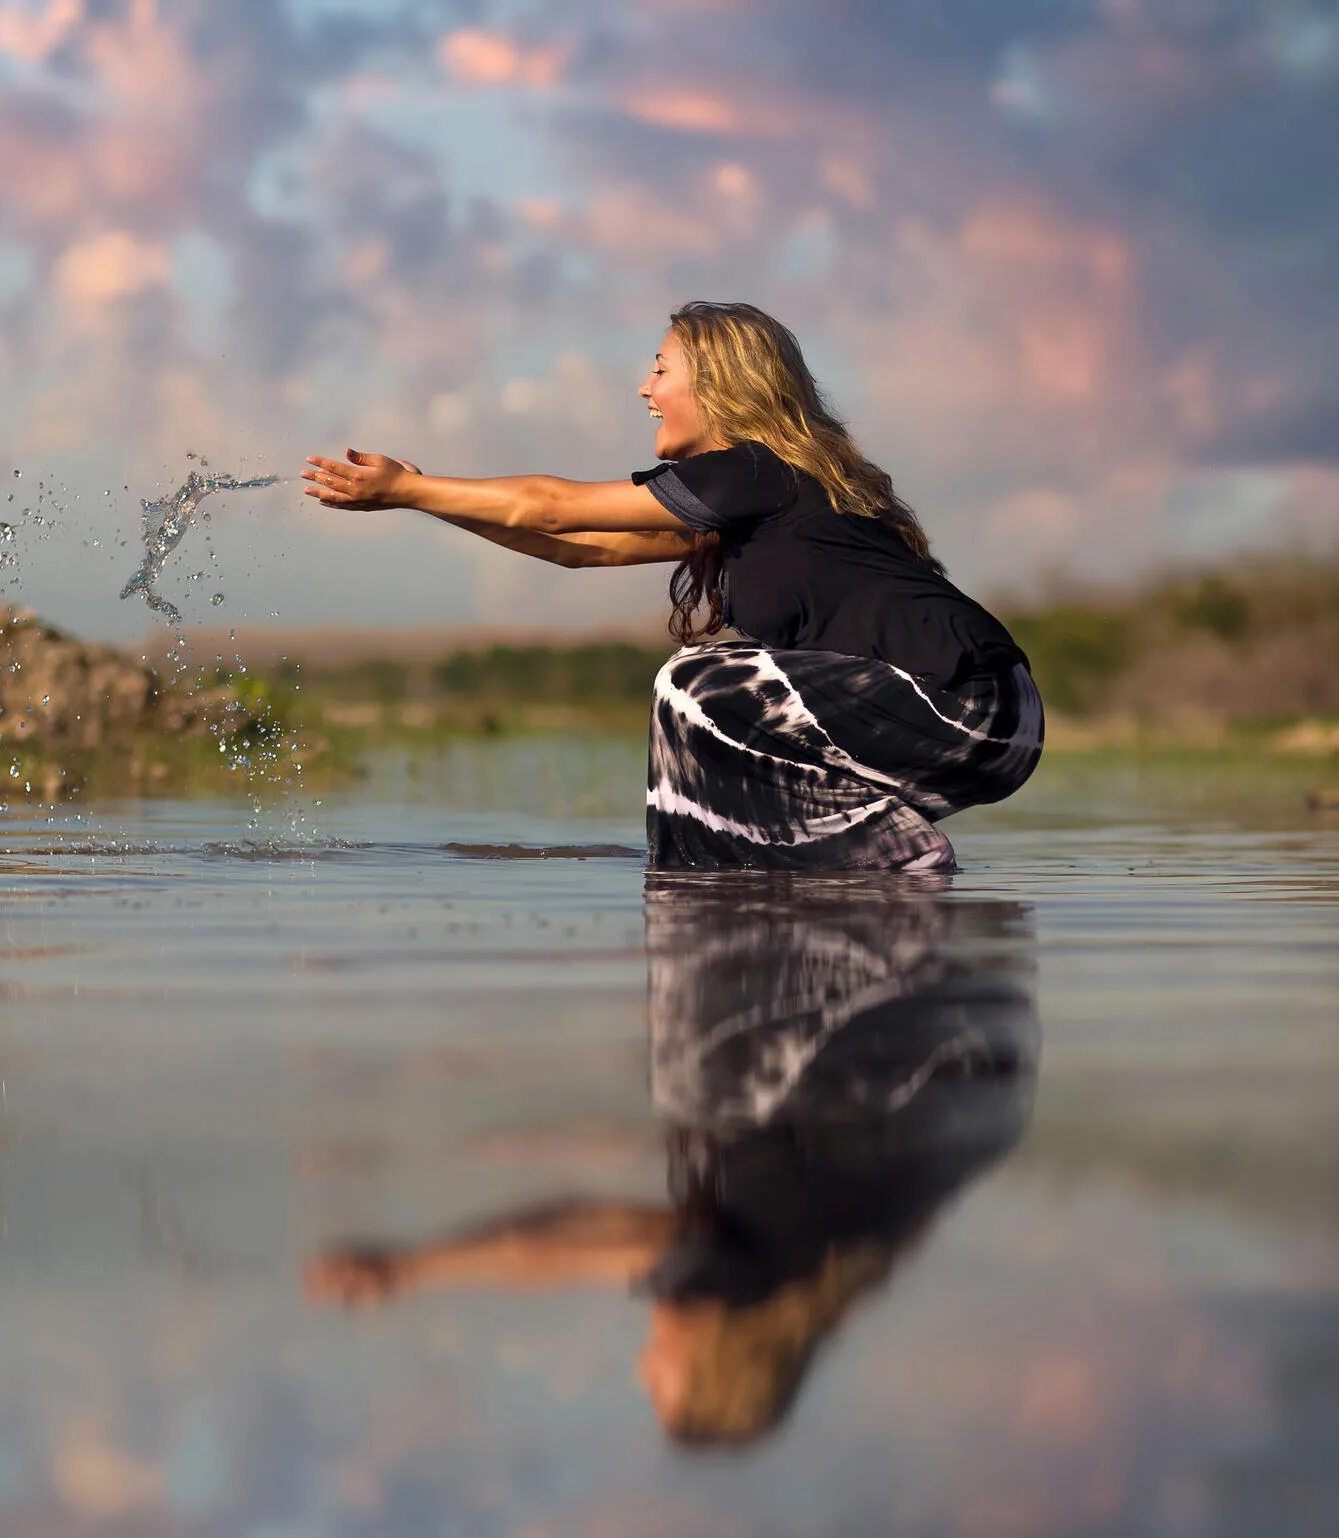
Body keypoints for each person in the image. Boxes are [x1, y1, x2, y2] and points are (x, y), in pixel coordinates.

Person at [300, 301, 1044, 872]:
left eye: (661, 369)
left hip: (968, 704)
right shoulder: (756, 498)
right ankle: (828, 863)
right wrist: (417, 498)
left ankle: (869, 858)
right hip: (985, 720)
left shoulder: (751, 469)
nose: (644, 388)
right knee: (710, 720)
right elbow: (574, 549)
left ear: (719, 385)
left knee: (694, 684)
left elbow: (553, 505)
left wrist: (412, 488)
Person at [304, 876, 1040, 1446]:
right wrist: (409, 1270)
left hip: (983, 1031)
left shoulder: (844, 1261)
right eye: (661, 1386)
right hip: (873, 1027)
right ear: (716, 1370)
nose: (643, 1367)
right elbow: (563, 1243)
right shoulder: (739, 1283)